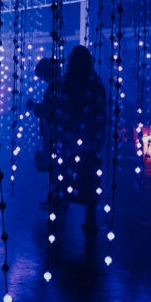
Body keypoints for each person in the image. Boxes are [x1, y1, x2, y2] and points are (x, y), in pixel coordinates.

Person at [53, 45, 107, 237]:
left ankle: (57, 216)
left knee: (66, 176)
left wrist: (61, 133)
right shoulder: (95, 82)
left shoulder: (68, 82)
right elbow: (100, 111)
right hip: (91, 142)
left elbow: (62, 109)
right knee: (90, 179)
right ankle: (90, 219)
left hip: (70, 141)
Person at [26, 57, 61, 174]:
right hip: (55, 134)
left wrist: (34, 107)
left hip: (55, 135)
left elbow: (49, 111)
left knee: (55, 169)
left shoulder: (55, 87)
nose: (43, 80)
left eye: (42, 76)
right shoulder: (58, 85)